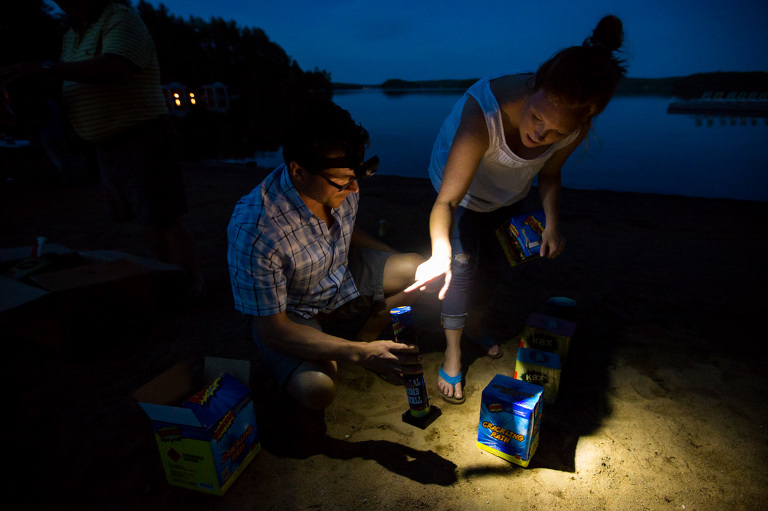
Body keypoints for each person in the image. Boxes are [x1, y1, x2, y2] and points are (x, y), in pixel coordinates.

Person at [405, 15, 627, 404]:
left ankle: (472, 325)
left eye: (555, 132)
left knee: (493, 266)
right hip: (462, 191)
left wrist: (553, 223)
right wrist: (440, 249)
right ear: (534, 86)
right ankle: (453, 355)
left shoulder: (574, 124)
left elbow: (550, 174)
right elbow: (447, 200)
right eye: (537, 118)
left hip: (508, 195)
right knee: (460, 267)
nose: (540, 135)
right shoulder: (485, 111)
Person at [227, 100, 426, 414]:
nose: (354, 187)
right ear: (298, 170)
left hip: (340, 276)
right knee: (317, 390)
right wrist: (359, 353)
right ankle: (350, 346)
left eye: (358, 175)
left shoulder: (341, 183)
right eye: (344, 180)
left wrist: (389, 255)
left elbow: (347, 229)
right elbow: (273, 329)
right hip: (293, 312)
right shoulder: (256, 229)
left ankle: (365, 332)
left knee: (421, 268)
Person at [0, 0, 205, 297]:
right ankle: (168, 274)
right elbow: (71, 78)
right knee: (144, 216)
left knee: (163, 215)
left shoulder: (119, 17)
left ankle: (192, 282)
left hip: (142, 135)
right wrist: (31, 81)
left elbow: (116, 68)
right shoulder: (73, 33)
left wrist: (48, 68)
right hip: (107, 143)